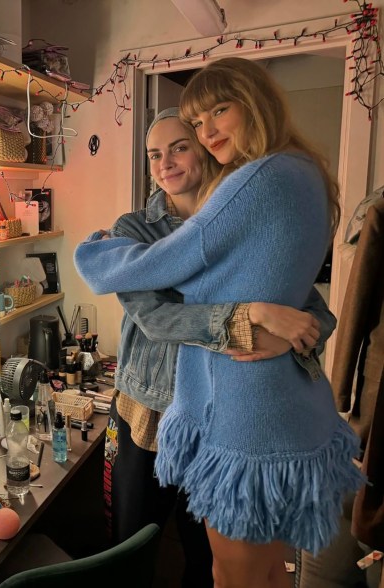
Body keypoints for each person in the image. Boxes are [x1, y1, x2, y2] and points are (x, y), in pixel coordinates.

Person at [74, 58, 364, 588]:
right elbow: (157, 318)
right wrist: (245, 319)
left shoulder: (248, 194)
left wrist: (291, 336)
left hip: (220, 412)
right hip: (150, 410)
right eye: (153, 154)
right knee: (136, 544)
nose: (166, 162)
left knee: (208, 561)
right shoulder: (136, 226)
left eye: (180, 145)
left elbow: (313, 311)